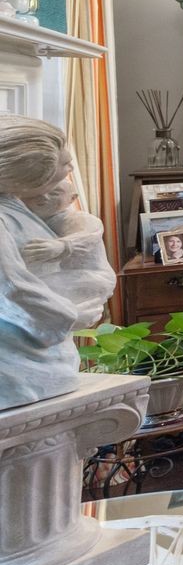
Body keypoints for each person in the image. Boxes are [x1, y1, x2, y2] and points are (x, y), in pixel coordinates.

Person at [0, 116, 115, 409]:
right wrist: (69, 315)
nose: (70, 170)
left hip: (39, 357)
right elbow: (13, 287)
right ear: (30, 176)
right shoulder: (6, 217)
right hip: (21, 365)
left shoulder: (19, 207)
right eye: (65, 165)